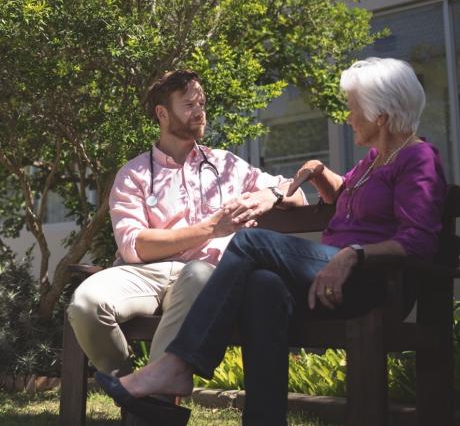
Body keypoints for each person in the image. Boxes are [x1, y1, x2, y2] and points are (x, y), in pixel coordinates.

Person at [96, 57, 448, 425]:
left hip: (371, 282)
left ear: (379, 116)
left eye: (353, 108)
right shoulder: (376, 160)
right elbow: (346, 195)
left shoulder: (418, 158)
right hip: (331, 276)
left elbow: (418, 241)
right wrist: (316, 170)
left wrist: (353, 255)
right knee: (263, 287)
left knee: (250, 242)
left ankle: (178, 364)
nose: (347, 117)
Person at [68, 70, 305, 423]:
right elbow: (135, 246)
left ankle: (150, 410)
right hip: (144, 272)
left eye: (202, 103)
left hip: (205, 276)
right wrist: (210, 228)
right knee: (85, 304)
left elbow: (297, 194)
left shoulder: (226, 165)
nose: (200, 112)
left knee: (197, 274)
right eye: (189, 104)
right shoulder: (133, 174)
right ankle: (129, 385)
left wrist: (269, 194)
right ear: (162, 114)